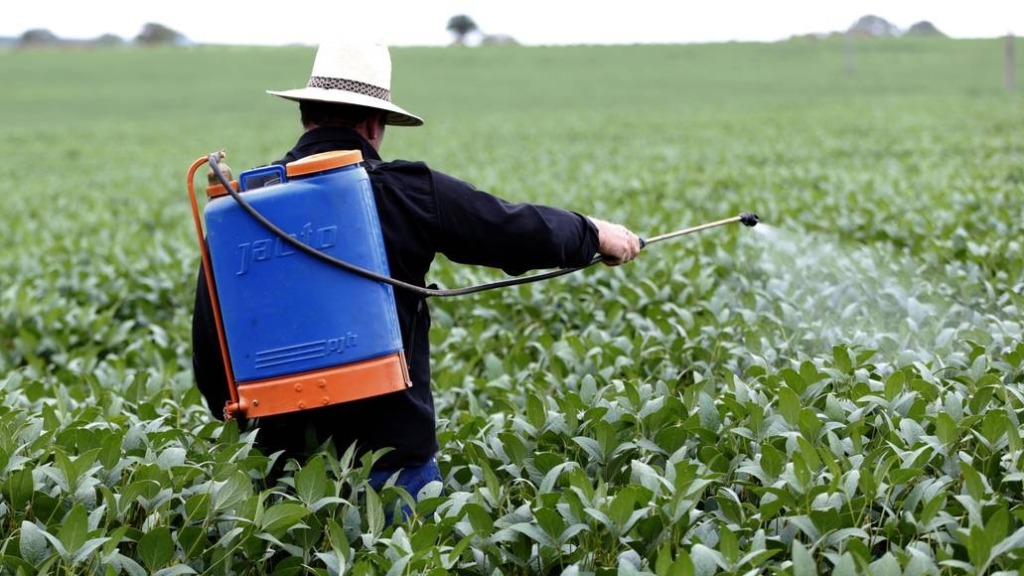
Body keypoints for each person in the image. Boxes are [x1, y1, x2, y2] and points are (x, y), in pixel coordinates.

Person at [192, 43, 641, 499]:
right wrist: (593, 233)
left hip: (282, 475)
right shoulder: (408, 191)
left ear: (306, 114)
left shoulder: (238, 212)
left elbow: (213, 366)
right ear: (374, 123)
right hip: (393, 467)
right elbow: (513, 228)